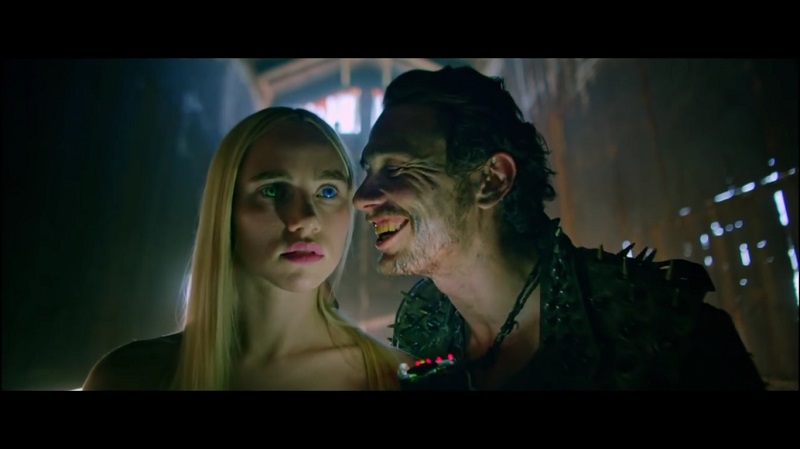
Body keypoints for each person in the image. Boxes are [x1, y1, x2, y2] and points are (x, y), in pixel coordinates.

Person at [353, 66, 766, 390]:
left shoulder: (661, 331)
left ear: (491, 180)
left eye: (396, 168)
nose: (362, 197)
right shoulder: (419, 329)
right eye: (368, 170)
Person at [83, 107, 413, 390]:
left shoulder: (396, 379)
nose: (305, 219)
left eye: (327, 191)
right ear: (226, 206)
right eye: (273, 190)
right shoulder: (128, 377)